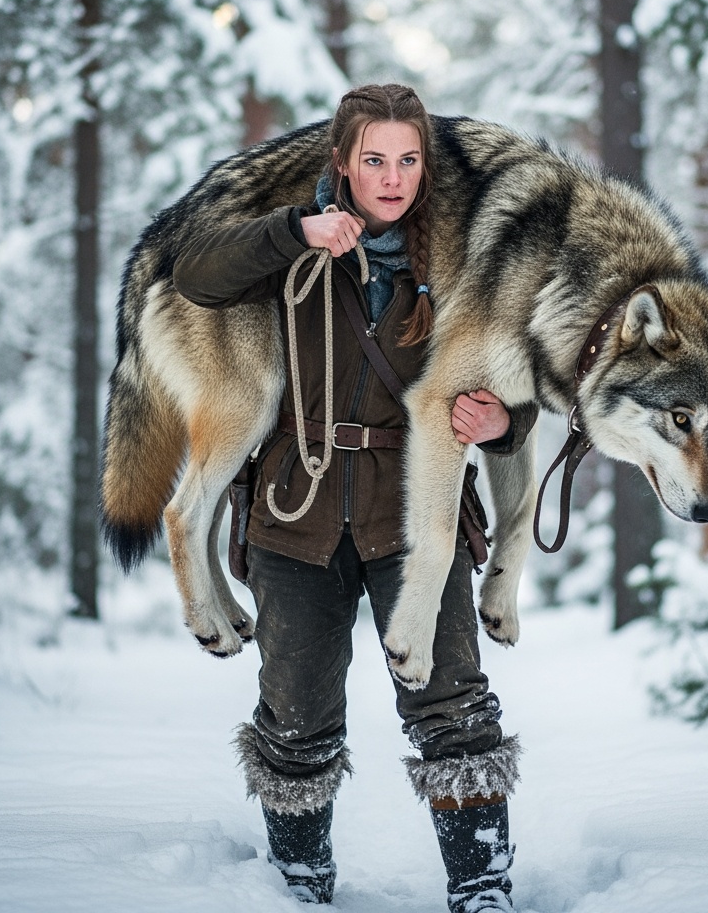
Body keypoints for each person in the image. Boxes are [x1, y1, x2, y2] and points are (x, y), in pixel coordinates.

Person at [172, 84, 537, 911]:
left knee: (454, 709)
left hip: (417, 510)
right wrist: (292, 232)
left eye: (408, 159)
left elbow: (517, 378)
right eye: (374, 159)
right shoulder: (292, 243)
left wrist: (501, 422)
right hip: (292, 514)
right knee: (296, 714)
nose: (393, 176)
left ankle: (482, 887)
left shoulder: (466, 259)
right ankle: (300, 885)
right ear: (341, 163)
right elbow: (194, 276)